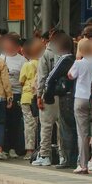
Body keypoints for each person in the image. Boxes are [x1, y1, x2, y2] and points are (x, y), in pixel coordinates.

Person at [69, 39, 92, 174]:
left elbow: (70, 76)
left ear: (81, 50)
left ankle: (82, 165)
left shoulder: (78, 63)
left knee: (82, 133)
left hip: (80, 99)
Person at [34, 31, 69, 166]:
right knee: (62, 127)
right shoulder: (67, 55)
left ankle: (45, 155)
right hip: (64, 96)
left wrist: (39, 95)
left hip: (49, 95)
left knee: (46, 126)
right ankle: (62, 155)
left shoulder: (46, 55)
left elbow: (42, 77)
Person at [19, 39, 41, 161]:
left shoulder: (26, 65)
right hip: (39, 97)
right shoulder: (43, 63)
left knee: (29, 124)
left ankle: (29, 150)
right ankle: (40, 149)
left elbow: (21, 81)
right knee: (39, 124)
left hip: (27, 97)